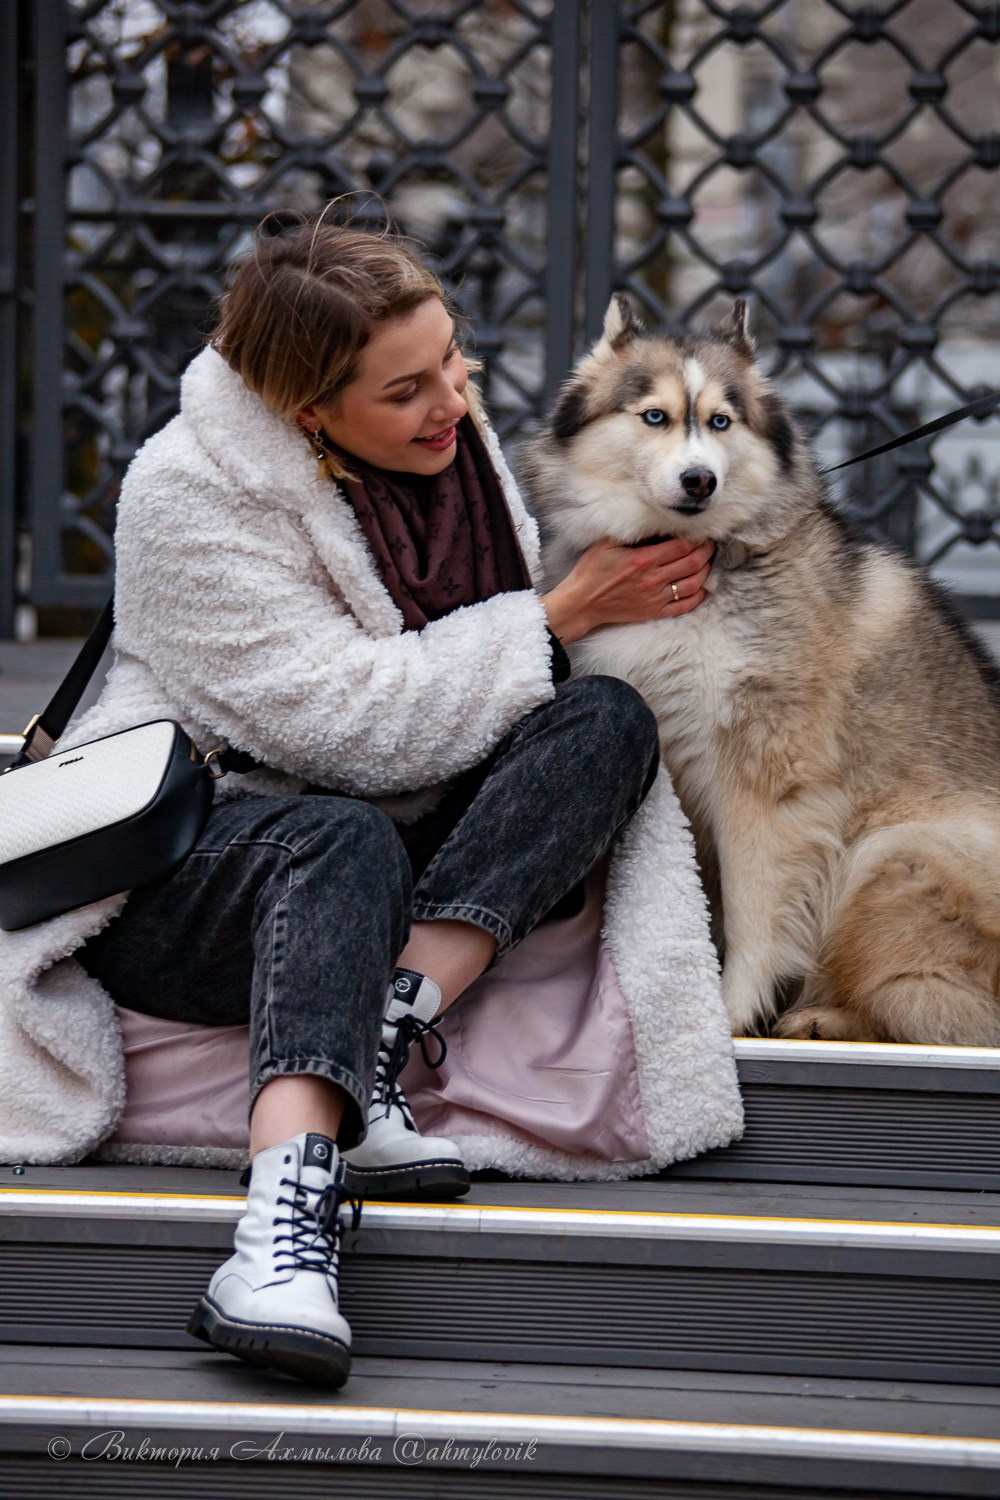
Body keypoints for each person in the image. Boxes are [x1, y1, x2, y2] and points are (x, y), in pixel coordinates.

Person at [68, 215, 713, 1389]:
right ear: (306, 410)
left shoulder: (447, 457)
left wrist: (580, 618)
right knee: (342, 836)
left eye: (453, 363)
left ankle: (380, 1018)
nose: (451, 404)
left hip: (392, 841)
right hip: (206, 870)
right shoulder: (187, 493)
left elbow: (489, 699)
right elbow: (349, 730)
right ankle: (279, 1234)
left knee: (606, 724)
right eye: (406, 390)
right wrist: (560, 614)